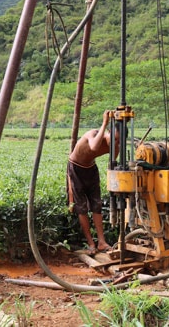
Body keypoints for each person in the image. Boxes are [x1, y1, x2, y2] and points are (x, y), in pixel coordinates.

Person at [67, 109, 118, 255]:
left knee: (97, 205)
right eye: (113, 139)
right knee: (81, 207)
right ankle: (91, 243)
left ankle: (102, 242)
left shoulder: (115, 144)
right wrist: (105, 123)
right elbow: (94, 147)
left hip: (91, 169)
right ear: (108, 131)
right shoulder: (94, 134)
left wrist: (116, 144)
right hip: (76, 169)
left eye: (118, 140)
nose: (114, 142)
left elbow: (113, 159)